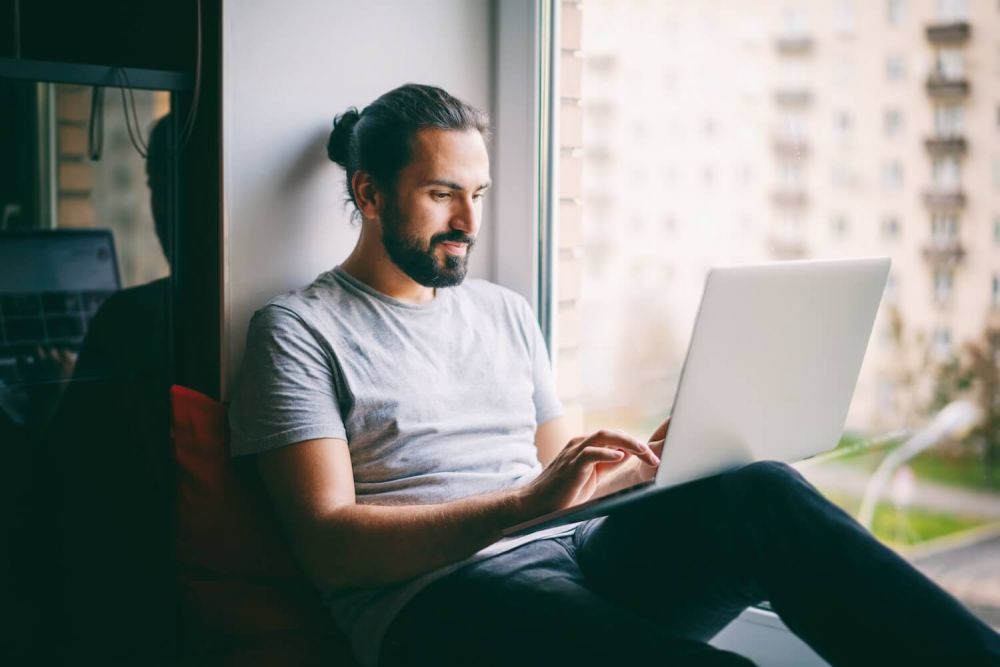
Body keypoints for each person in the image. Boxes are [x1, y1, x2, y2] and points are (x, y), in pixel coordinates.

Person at [228, 84, 1000, 667]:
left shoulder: (503, 312)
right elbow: (329, 546)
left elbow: (562, 474)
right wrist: (526, 502)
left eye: (479, 194)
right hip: (432, 602)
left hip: (565, 549)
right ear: (369, 193)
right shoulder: (298, 330)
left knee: (758, 491)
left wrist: (643, 470)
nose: (467, 221)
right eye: (441, 195)